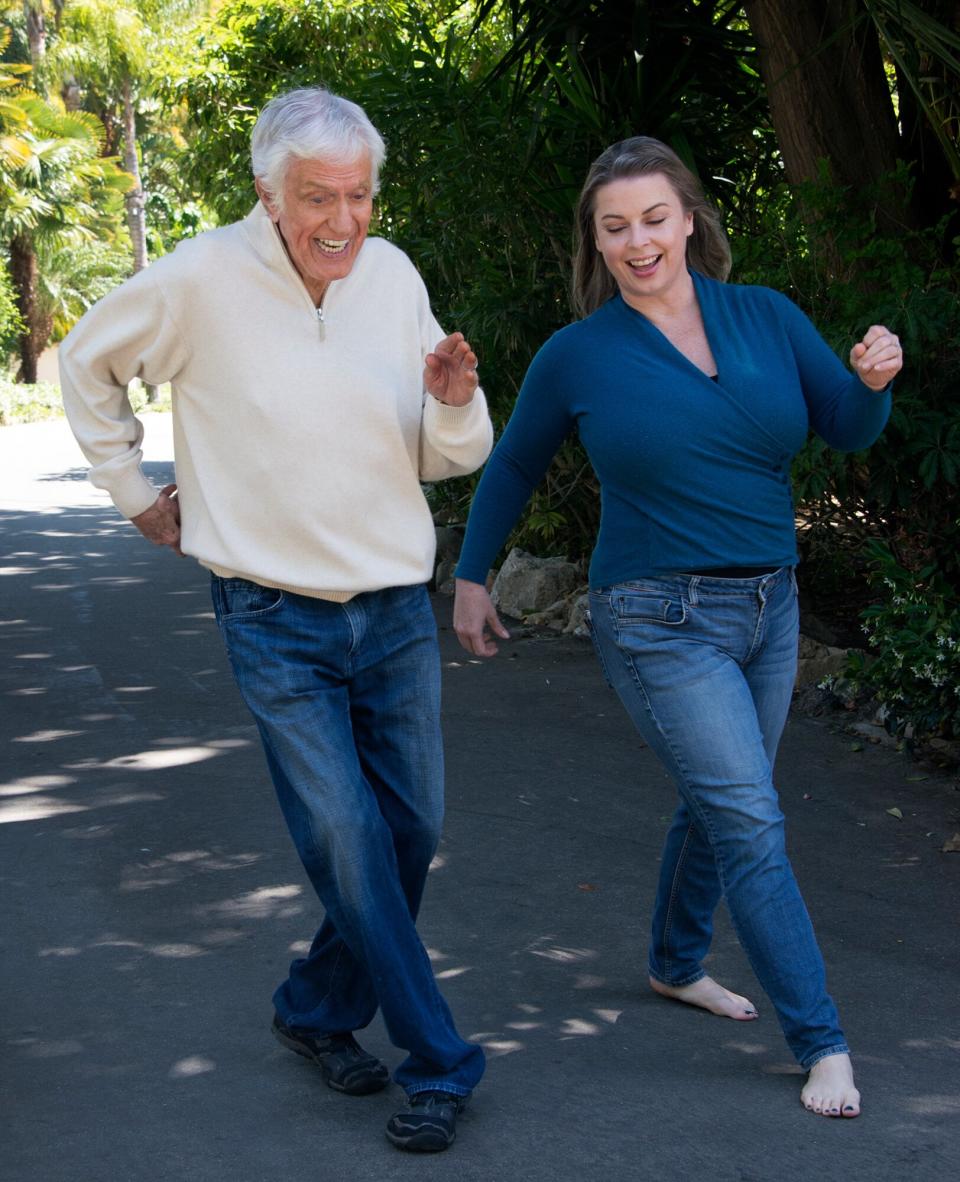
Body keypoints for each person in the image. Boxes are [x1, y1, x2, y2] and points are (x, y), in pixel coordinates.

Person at [59, 86, 491, 1153]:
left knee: (409, 835)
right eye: (317, 197)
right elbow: (85, 361)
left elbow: (452, 456)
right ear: (268, 192)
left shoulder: (390, 279)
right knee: (347, 837)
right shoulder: (200, 280)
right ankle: (440, 1061)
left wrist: (450, 399)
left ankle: (312, 1008)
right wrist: (136, 494)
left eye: (359, 195)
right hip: (271, 614)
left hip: (391, 610)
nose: (342, 220)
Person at [453, 136, 902, 1120]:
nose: (638, 240)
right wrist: (473, 575)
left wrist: (873, 382)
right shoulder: (581, 355)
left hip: (770, 609)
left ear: (690, 218)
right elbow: (517, 466)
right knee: (749, 818)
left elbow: (844, 424)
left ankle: (672, 961)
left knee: (720, 799)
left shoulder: (766, 317)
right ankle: (823, 1044)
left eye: (654, 218)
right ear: (597, 243)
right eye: (615, 227)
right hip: (656, 618)